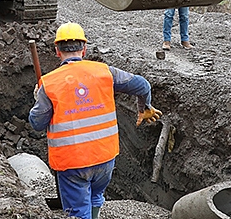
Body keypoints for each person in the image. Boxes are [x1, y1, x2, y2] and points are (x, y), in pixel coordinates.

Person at [29, 22, 162, 219]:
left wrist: (38, 98)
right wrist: (145, 108)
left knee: (78, 213)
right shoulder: (104, 72)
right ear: (84, 49)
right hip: (104, 158)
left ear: (57, 50)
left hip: (72, 162)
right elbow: (142, 85)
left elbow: (37, 124)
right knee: (96, 195)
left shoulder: (49, 83)